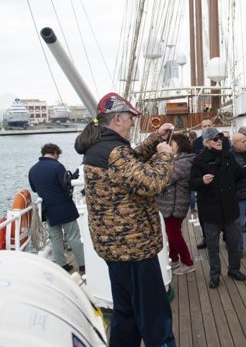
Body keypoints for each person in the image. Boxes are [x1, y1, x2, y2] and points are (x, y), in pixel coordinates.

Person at [74, 92, 176, 347]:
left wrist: (155, 139)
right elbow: (152, 182)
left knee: (126, 315)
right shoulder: (113, 152)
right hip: (135, 251)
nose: (133, 123)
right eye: (130, 118)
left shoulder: (102, 148)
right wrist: (165, 154)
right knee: (155, 319)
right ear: (117, 118)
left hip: (117, 250)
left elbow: (130, 163)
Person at [189, 127, 246, 289]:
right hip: (211, 211)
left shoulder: (227, 156)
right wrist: (201, 181)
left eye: (220, 138)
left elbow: (239, 173)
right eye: (215, 139)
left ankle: (234, 269)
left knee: (234, 243)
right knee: (212, 246)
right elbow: (191, 183)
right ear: (206, 143)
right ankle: (215, 275)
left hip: (230, 209)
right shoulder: (199, 160)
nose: (219, 141)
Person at [28, 143, 85, 273]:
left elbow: (34, 188)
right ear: (54, 152)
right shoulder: (57, 166)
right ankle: (82, 264)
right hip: (64, 207)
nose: (58, 157)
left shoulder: (33, 169)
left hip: (48, 209)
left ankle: (61, 265)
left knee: (55, 238)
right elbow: (66, 186)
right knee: (74, 236)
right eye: (58, 155)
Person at [156, 133, 196, 275]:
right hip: (170, 204)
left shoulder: (183, 162)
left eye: (171, 144)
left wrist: (162, 159)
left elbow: (167, 179)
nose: (169, 147)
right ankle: (174, 259)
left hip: (175, 205)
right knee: (170, 232)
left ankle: (188, 262)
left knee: (174, 234)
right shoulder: (178, 160)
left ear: (179, 146)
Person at [192, 118, 231, 249]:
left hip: (223, 192)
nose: (207, 127)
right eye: (204, 126)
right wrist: (201, 180)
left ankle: (227, 238)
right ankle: (206, 238)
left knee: (226, 218)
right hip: (207, 194)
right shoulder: (197, 144)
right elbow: (192, 179)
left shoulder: (223, 143)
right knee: (206, 220)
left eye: (209, 125)